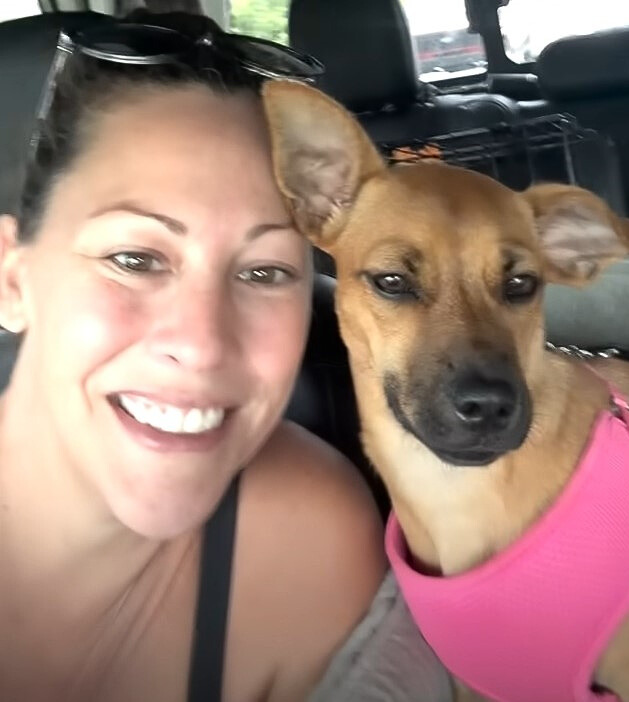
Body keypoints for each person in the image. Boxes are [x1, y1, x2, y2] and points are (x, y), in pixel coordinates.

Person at [0, 10, 452, 702]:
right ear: (11, 279)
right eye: (136, 258)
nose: (205, 344)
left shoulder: (309, 547)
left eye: (265, 271)